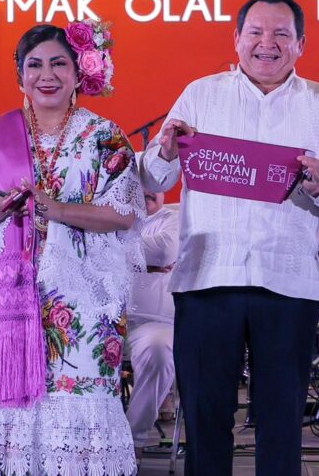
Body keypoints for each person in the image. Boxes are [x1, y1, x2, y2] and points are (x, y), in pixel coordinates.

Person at [140, 0, 319, 476]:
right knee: (205, 416)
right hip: (207, 278)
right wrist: (166, 152)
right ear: (236, 38)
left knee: (281, 423)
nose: (267, 43)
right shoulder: (201, 94)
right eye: (255, 32)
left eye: (281, 34)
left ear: (301, 43)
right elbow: (153, 177)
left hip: (288, 281)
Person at [0, 22, 144, 476]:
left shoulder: (104, 136)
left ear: (79, 73)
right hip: (8, 300)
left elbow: (123, 212)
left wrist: (56, 209)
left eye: (59, 64)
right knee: (11, 412)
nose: (47, 75)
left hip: (83, 301)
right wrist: (5, 204)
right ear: (19, 76)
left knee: (76, 409)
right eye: (35, 65)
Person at [126, 189, 179, 453]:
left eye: (155, 183)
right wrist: (145, 263)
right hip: (101, 319)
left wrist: (113, 249)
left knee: (159, 350)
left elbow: (166, 250)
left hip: (152, 322)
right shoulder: (110, 214)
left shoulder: (175, 218)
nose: (148, 190)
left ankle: (130, 441)